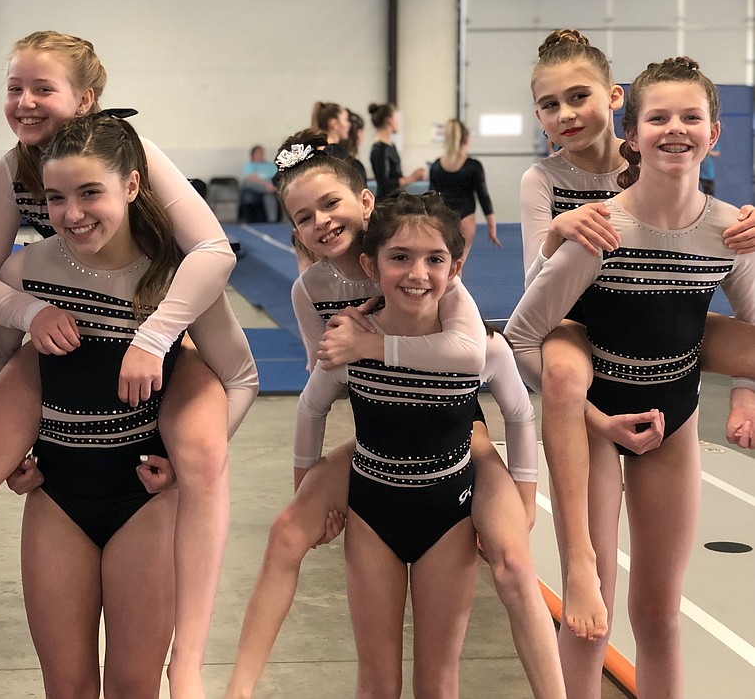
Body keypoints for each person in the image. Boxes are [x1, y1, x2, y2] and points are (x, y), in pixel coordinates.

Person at [0, 31, 258, 699]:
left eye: (42, 87)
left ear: (88, 101)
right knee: (64, 679)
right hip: (61, 439)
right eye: (15, 87)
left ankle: (187, 661)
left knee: (200, 444)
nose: (25, 101)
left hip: (142, 434)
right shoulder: (24, 206)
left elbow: (218, 270)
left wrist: (158, 336)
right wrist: (26, 319)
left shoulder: (155, 229)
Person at [224, 131, 563, 699]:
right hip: (377, 445)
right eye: (305, 216)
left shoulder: (436, 281)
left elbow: (476, 359)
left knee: (511, 564)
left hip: (462, 442)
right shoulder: (313, 290)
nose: (321, 221)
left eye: (330, 203)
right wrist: (311, 486)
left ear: (365, 202)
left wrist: (370, 347)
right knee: (287, 532)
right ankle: (237, 688)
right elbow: (321, 386)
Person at [506, 56, 755, 698]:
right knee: (591, 619)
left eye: (691, 116)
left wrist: (745, 397)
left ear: (715, 133)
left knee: (659, 615)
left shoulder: (730, 232)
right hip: (595, 418)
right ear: (633, 134)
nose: (675, 128)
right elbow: (521, 337)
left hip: (674, 420)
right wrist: (593, 416)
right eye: (659, 117)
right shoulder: (603, 230)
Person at [0, 114, 238, 695]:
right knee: (66, 686)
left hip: (145, 498)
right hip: (57, 494)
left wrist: (190, 459)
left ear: (130, 185)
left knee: (133, 683)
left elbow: (240, 376)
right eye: (55, 199)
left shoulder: (176, 277)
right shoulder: (28, 271)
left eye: (90, 192)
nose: (73, 213)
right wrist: (11, 450)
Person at [317, 191, 482, 697]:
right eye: (400, 258)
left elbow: (513, 404)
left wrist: (522, 489)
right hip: (372, 510)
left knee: (439, 676)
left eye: (434, 260)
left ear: (455, 266)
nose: (417, 273)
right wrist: (308, 485)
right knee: (376, 678)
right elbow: (310, 404)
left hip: (448, 513)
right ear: (371, 264)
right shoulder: (349, 334)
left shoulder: (469, 337)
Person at [429, 119, 500, 267]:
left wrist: (427, 223)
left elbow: (430, 198)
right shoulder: (473, 166)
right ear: (466, 139)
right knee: (458, 264)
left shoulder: (436, 166)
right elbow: (483, 197)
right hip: (466, 220)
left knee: (442, 263)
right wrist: (492, 227)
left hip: (442, 219)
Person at [368, 102, 425, 200]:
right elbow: (385, 183)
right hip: (386, 202)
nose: (398, 122)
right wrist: (412, 178)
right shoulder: (380, 149)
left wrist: (411, 177)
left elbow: (396, 177)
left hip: (395, 199)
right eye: (396, 118)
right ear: (389, 120)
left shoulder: (390, 145)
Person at [239, 144, 279, 222]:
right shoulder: (249, 165)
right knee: (248, 183)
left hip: (270, 188)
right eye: (258, 153)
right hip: (255, 190)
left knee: (268, 195)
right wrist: (265, 185)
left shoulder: (269, 165)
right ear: (253, 154)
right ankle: (270, 190)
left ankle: (272, 221)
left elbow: (277, 177)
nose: (261, 155)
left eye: (262, 153)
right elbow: (251, 178)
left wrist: (272, 186)